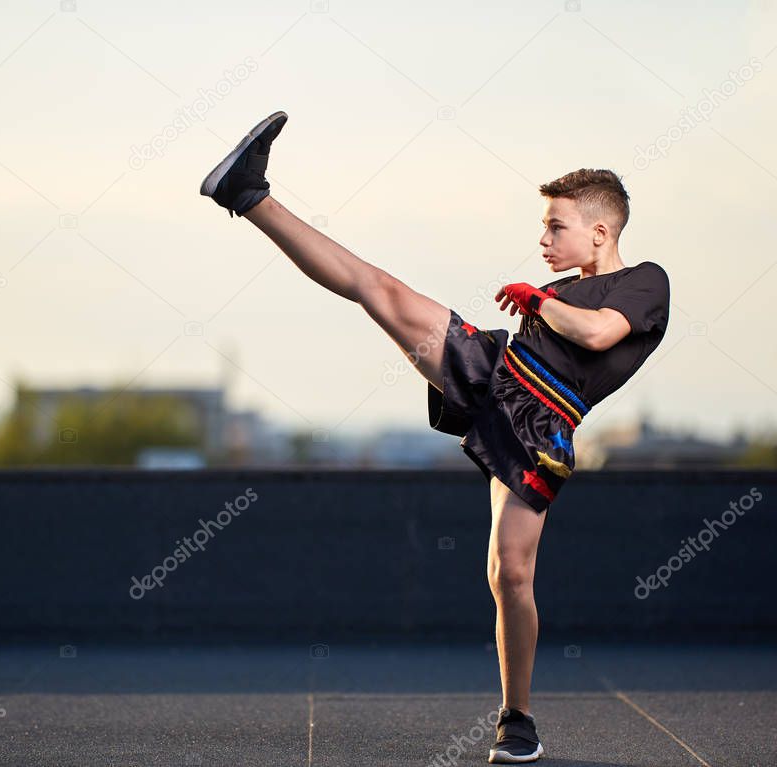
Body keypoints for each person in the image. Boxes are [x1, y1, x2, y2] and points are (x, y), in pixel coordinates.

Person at [200, 111, 670, 764]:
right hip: (490, 369)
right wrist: (538, 302)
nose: (542, 238)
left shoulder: (644, 280)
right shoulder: (559, 288)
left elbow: (596, 336)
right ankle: (248, 194)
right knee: (379, 289)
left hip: (538, 426)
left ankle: (516, 718)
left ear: (599, 231)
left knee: (509, 573)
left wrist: (536, 301)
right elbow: (553, 323)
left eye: (554, 226)